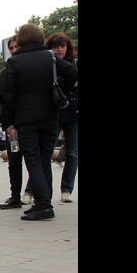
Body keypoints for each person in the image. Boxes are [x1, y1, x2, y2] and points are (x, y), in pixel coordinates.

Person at [0, 23, 78, 221]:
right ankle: (44, 202)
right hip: (51, 116)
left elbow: (9, 96)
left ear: (21, 40)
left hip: (26, 118)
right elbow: (73, 73)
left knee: (33, 161)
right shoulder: (50, 57)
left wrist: (8, 123)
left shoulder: (15, 63)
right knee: (44, 160)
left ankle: (43, 205)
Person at [45, 32, 78, 203]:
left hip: (73, 112)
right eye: (56, 46)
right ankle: (37, 190)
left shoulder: (75, 65)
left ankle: (67, 190)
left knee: (72, 153)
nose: (59, 49)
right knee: (46, 151)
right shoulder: (48, 65)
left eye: (62, 46)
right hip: (54, 111)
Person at [0, 35, 26, 209]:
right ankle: (15, 195)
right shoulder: (5, 72)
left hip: (28, 124)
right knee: (14, 161)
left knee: (34, 161)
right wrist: (5, 121)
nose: (14, 51)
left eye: (17, 47)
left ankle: (36, 194)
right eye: (12, 48)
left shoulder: (29, 70)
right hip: (12, 127)